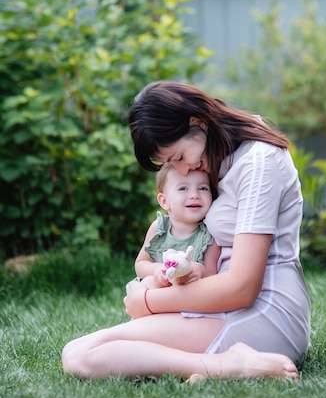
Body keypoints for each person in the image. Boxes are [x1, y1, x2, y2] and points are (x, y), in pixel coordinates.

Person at [62, 81, 310, 382]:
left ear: (198, 122)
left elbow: (242, 288)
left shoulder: (258, 162)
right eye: (171, 163)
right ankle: (214, 365)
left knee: (81, 355)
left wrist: (149, 302)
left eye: (178, 157)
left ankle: (228, 366)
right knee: (78, 352)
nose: (181, 170)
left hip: (265, 312)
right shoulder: (221, 152)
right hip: (216, 303)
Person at [127, 162, 220, 290]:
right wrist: (158, 269)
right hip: (159, 287)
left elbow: (212, 276)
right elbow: (140, 264)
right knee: (146, 283)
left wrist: (200, 270)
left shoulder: (209, 235)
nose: (194, 195)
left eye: (203, 188)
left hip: (189, 293)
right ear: (164, 201)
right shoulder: (159, 228)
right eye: (183, 188)